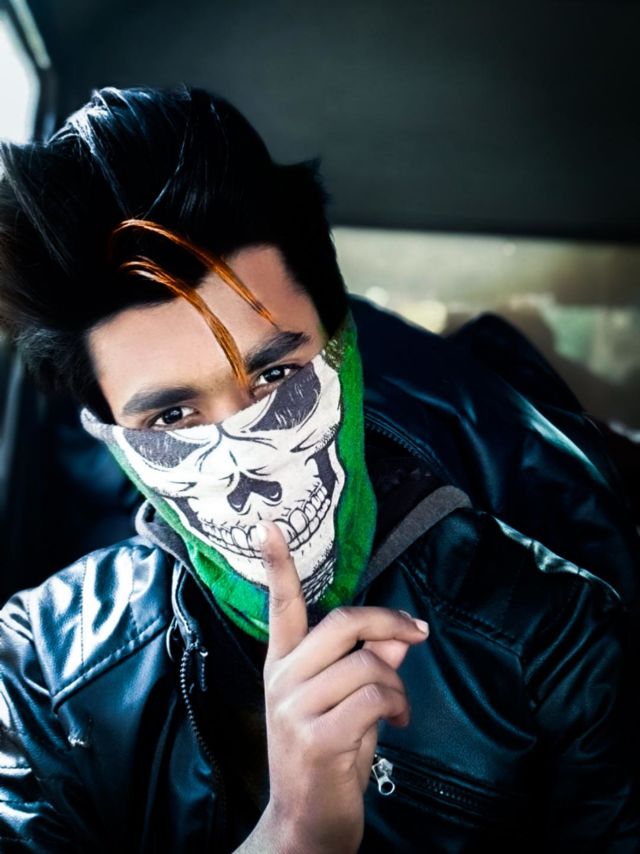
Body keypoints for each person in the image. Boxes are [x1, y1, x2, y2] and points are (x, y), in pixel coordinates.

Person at [0, 86, 638, 853]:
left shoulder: (557, 636)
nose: (248, 473)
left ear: (346, 350)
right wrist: (294, 836)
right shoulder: (43, 669)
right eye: (172, 419)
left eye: (275, 379)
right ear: (112, 438)